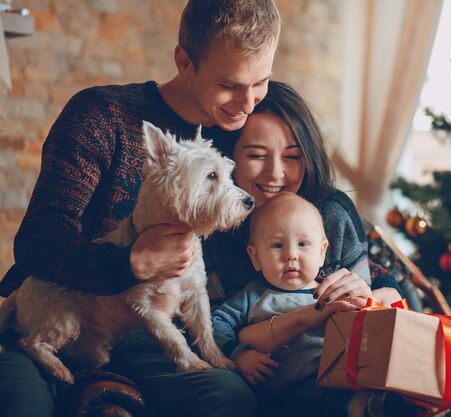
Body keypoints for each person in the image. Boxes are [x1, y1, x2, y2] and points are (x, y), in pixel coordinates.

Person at [0, 1, 280, 416]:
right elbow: (38, 242)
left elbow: (298, 198)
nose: (248, 102)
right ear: (184, 61)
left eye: (261, 82)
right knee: (20, 405)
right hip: (57, 303)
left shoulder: (237, 137)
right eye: (230, 84)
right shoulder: (100, 115)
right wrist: (130, 263)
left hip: (141, 333)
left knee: (229, 397)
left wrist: (369, 278)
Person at [202, 80, 404, 416]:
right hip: (268, 383)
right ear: (228, 158)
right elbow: (212, 325)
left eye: (292, 156)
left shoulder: (330, 212)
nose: (276, 173)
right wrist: (240, 352)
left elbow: (377, 288)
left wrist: (371, 291)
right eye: (256, 155)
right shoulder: (208, 227)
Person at [213, 192, 400, 417]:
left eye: (303, 244)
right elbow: (215, 323)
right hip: (287, 392)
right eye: (277, 245)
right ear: (255, 257)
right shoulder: (252, 296)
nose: (291, 255)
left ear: (322, 252)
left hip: (342, 376)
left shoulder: (332, 288)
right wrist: (238, 354)